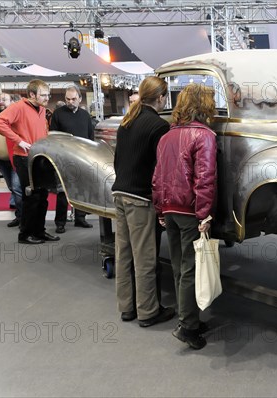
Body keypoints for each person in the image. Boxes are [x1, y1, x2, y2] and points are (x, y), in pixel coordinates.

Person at [152, 83, 217, 350]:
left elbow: (157, 177)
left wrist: (160, 209)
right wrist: (204, 213)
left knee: (180, 267)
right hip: (190, 211)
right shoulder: (205, 136)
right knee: (192, 268)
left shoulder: (167, 136)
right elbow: (205, 178)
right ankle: (188, 327)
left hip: (170, 209)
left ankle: (187, 318)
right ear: (205, 105)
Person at [111, 76, 174, 327]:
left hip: (120, 193)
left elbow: (117, 160)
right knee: (145, 257)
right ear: (161, 98)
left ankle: (127, 307)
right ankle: (148, 311)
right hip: (140, 197)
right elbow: (162, 169)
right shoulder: (158, 126)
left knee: (124, 254)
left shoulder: (127, 121)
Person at [0, 79, 60, 245]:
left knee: (43, 196)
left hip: (40, 156)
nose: (46, 97)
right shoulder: (18, 107)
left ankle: (39, 231)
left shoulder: (42, 109)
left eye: (47, 94)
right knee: (31, 196)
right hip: (23, 157)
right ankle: (25, 234)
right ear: (32, 94)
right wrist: (18, 140)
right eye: (43, 95)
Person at [49, 85, 95, 233]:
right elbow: (53, 137)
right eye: (67, 99)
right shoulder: (57, 114)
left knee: (81, 190)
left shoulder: (85, 115)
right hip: (63, 158)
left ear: (80, 99)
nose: (70, 101)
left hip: (82, 158)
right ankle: (60, 222)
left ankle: (80, 219)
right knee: (62, 192)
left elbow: (90, 137)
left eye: (73, 99)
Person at [0, 93, 23, 227]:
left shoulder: (15, 117)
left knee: (17, 188)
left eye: (4, 100)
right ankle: (20, 217)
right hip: (1, 160)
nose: (0, 102)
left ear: (12, 101)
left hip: (15, 160)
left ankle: (23, 218)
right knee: (12, 188)